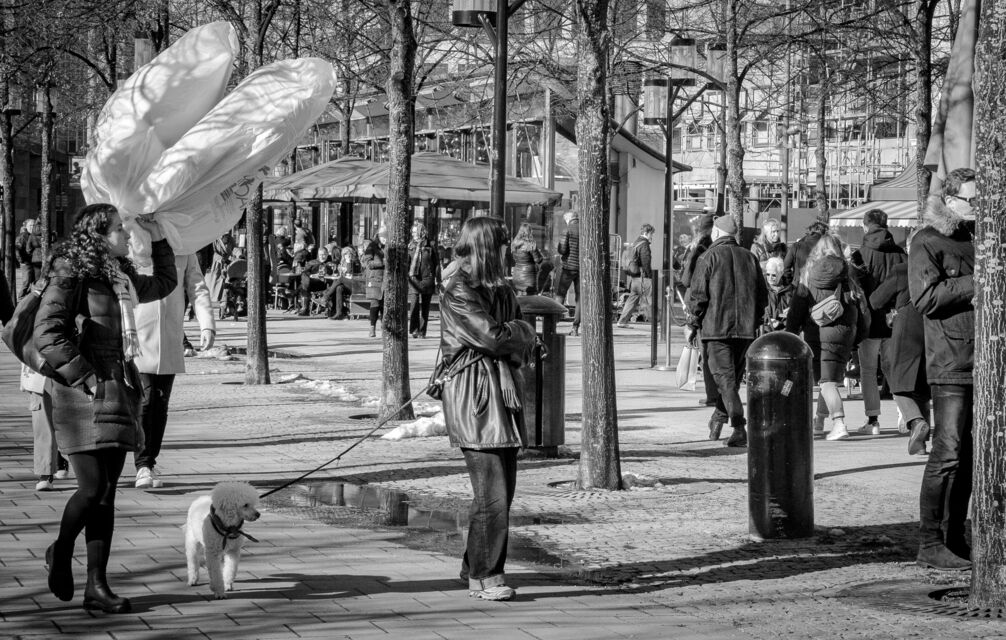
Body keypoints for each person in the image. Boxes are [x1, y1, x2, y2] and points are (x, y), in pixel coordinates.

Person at [34, 204, 177, 613]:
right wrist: (86, 377)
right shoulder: (69, 271)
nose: (126, 235)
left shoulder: (119, 274)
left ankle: (96, 586)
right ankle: (61, 551)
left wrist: (159, 236)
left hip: (117, 385)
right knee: (92, 487)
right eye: (118, 229)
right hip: (78, 391)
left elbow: (164, 284)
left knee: (107, 493)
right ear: (97, 235)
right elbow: (47, 332)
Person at [438, 216, 536, 601]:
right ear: (486, 247)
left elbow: (516, 335)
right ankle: (486, 576)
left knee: (499, 494)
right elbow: (494, 337)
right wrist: (522, 333)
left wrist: (521, 336)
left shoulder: (500, 288)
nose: (508, 250)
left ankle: (472, 566)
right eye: (502, 243)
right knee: (492, 494)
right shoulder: (460, 290)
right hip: (476, 398)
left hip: (502, 397)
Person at [909, 168, 975, 571]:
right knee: (947, 453)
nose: (978, 205)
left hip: (981, 360)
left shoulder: (978, 237)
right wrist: (974, 284)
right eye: (971, 199)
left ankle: (954, 537)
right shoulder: (927, 240)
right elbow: (925, 298)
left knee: (967, 455)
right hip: (950, 360)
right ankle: (930, 542)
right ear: (949, 201)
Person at [132, 253, 215, 489]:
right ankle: (142, 463)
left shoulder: (184, 248)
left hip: (169, 337)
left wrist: (207, 324)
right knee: (146, 400)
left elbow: (197, 287)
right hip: (137, 335)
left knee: (160, 403)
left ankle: (149, 461)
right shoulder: (132, 243)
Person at [685, 215, 767, 447]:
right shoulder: (749, 257)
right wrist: (754, 321)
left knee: (725, 381)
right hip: (745, 330)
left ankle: (739, 427)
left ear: (717, 233)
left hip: (716, 329)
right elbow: (762, 296)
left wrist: (692, 323)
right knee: (730, 381)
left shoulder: (708, 257)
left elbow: (698, 295)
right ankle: (719, 418)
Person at [785, 233, 868, 442]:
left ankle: (839, 423)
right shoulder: (848, 272)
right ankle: (819, 421)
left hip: (817, 333)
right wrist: (858, 337)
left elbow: (797, 308)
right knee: (829, 378)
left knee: (826, 381)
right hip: (845, 333)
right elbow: (862, 308)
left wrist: (790, 334)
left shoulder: (809, 273)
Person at [868, 245, 930, 456]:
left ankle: (916, 421)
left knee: (898, 383)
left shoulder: (902, 270)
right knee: (921, 387)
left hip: (908, 328)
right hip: (934, 329)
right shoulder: (938, 270)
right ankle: (920, 443)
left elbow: (875, 300)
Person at [850, 208, 906, 435]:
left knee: (868, 371)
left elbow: (855, 289)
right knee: (895, 369)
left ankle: (873, 421)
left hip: (869, 320)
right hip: (896, 319)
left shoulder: (860, 255)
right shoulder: (900, 253)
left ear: (865, 226)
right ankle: (905, 415)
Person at [679, 214, 718, 408]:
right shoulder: (717, 247)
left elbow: (686, 279)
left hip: (698, 301)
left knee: (704, 349)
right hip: (716, 303)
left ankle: (713, 394)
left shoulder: (699, 248)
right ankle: (721, 393)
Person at [616, 223, 654, 328]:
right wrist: (650, 275)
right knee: (651, 299)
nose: (652, 236)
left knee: (632, 300)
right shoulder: (644, 244)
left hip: (634, 278)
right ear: (646, 233)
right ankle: (657, 323)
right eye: (651, 234)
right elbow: (646, 261)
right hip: (643, 277)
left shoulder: (636, 242)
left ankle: (622, 321)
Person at [408, 222, 440, 338]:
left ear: (421, 232)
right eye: (412, 232)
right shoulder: (410, 245)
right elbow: (407, 262)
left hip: (427, 278)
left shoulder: (430, 245)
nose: (413, 234)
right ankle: (414, 329)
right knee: (414, 305)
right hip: (414, 279)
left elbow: (437, 263)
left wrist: (438, 279)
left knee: (425, 307)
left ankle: (422, 331)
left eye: (415, 232)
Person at [554, 210, 581, 336]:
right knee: (579, 298)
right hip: (582, 268)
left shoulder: (567, 230)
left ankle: (552, 322)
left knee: (560, 294)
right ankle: (575, 327)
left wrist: (559, 247)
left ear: (569, 219)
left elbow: (563, 250)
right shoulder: (585, 229)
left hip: (568, 267)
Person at [784, 220, 830, 285]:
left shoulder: (796, 246)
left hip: (798, 285)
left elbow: (785, 268)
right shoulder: (827, 248)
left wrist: (792, 281)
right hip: (818, 286)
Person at [362, 226, 388, 338]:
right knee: (375, 303)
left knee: (384, 304)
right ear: (378, 236)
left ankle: (384, 328)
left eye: (386, 236)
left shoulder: (390, 246)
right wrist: (382, 263)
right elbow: (367, 263)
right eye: (383, 236)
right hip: (375, 279)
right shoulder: (372, 246)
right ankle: (372, 327)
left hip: (386, 279)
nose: (385, 239)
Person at [323, 246, 362, 320]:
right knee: (339, 288)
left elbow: (350, 273)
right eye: (345, 254)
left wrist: (348, 262)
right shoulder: (343, 262)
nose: (347, 255)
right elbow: (342, 273)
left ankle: (326, 296)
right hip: (347, 284)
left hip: (355, 286)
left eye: (349, 253)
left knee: (340, 279)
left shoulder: (355, 262)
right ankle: (339, 313)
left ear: (352, 254)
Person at [296, 246, 336, 316]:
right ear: (318, 255)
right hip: (312, 284)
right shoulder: (312, 262)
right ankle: (305, 308)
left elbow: (335, 274)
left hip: (325, 284)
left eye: (324, 254)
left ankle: (329, 308)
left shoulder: (331, 264)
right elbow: (305, 272)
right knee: (304, 278)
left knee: (302, 286)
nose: (322, 256)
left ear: (327, 254)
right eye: (320, 255)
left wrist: (328, 273)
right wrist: (312, 275)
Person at [509, 222, 543, 296]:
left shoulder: (514, 243)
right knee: (530, 300)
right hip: (528, 278)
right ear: (529, 231)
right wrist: (539, 253)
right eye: (531, 230)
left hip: (517, 275)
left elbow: (514, 258)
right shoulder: (530, 244)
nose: (532, 231)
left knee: (519, 299)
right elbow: (538, 260)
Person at [762, 256, 792, 333]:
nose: (770, 278)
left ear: (781, 273)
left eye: (774, 275)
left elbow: (795, 313)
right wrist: (767, 319)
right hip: (766, 330)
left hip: (784, 330)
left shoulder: (790, 290)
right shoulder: (761, 288)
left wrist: (783, 321)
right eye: (768, 274)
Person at [16, 218, 43, 298]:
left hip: (33, 262)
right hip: (26, 262)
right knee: (26, 281)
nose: (32, 227)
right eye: (30, 225)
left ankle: (28, 297)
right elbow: (17, 249)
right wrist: (21, 260)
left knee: (34, 281)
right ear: (26, 226)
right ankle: (20, 297)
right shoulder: (22, 236)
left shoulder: (34, 236)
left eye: (33, 225)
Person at [206, 232, 234, 303]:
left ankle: (222, 299)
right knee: (214, 282)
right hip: (216, 264)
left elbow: (235, 249)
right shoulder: (214, 239)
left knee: (225, 283)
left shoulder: (231, 239)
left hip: (227, 264)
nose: (227, 237)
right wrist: (222, 259)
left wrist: (239, 255)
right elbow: (212, 252)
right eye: (225, 235)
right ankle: (212, 299)